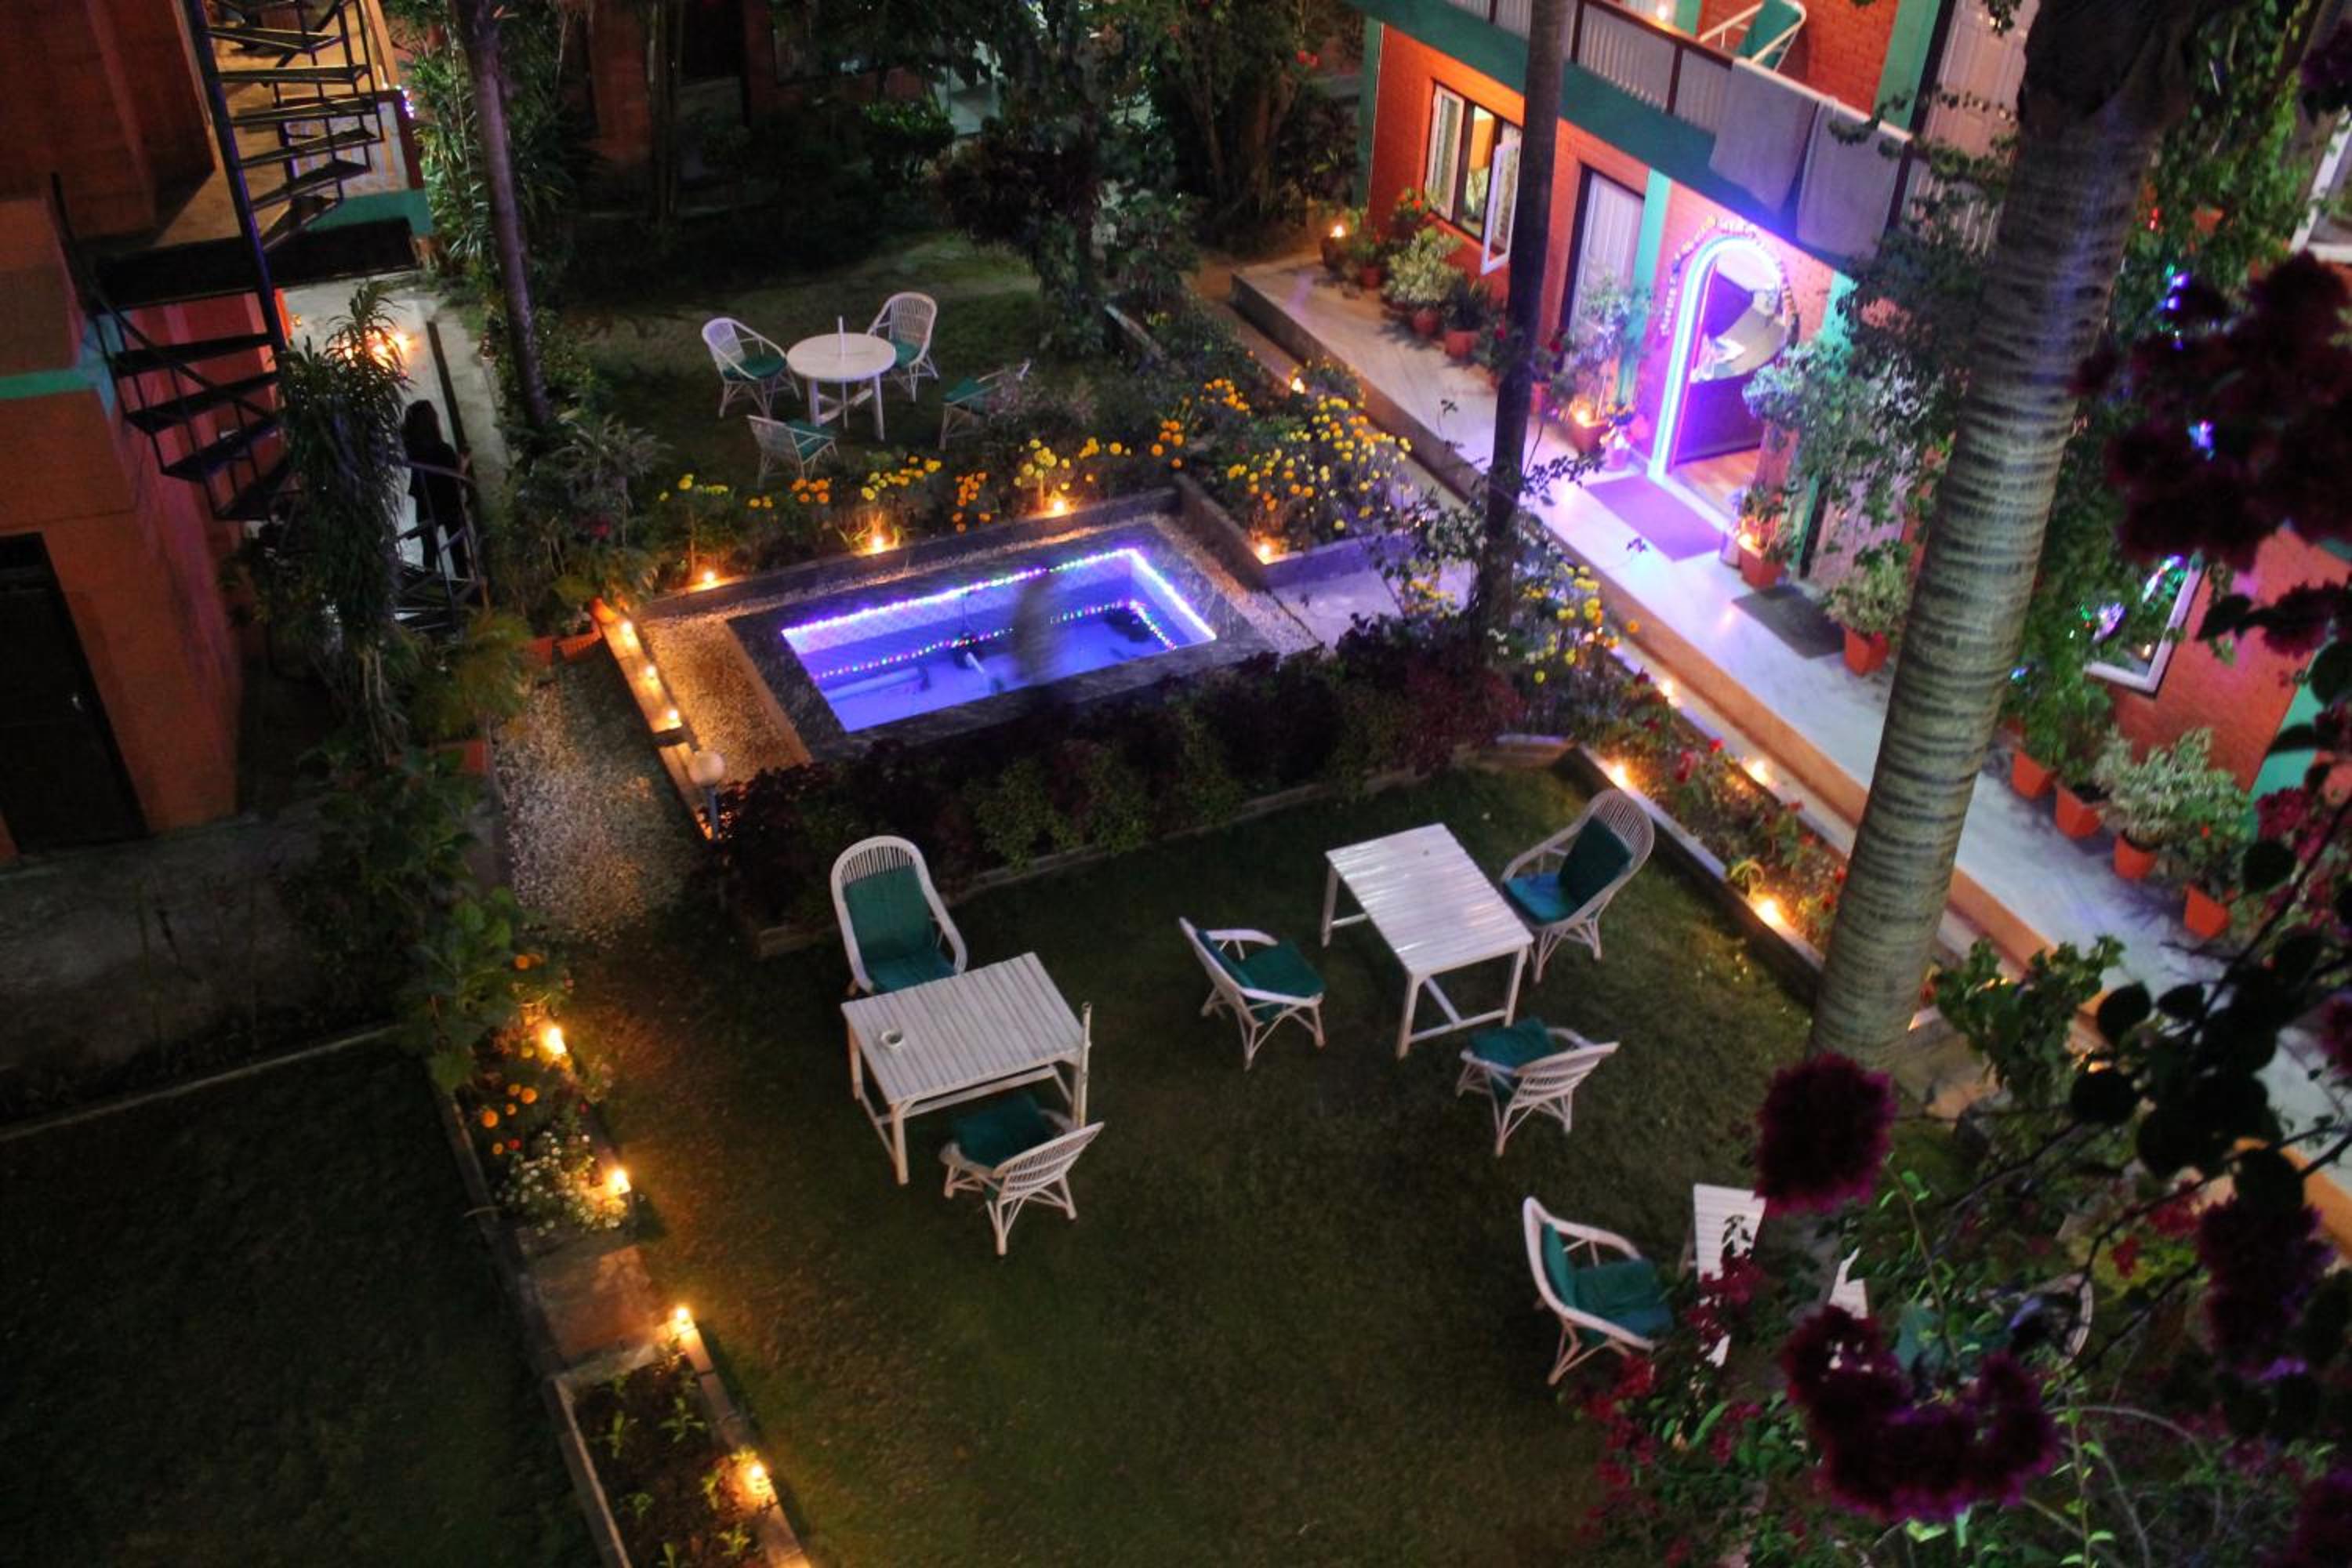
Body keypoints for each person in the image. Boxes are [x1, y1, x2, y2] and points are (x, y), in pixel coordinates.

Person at [401, 401, 471, 581]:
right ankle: (465, 584)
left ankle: (431, 583)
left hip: (426, 504)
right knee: (458, 551)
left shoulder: (414, 453)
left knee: (429, 552)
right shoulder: (444, 451)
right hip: (449, 505)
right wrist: (463, 466)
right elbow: (454, 483)